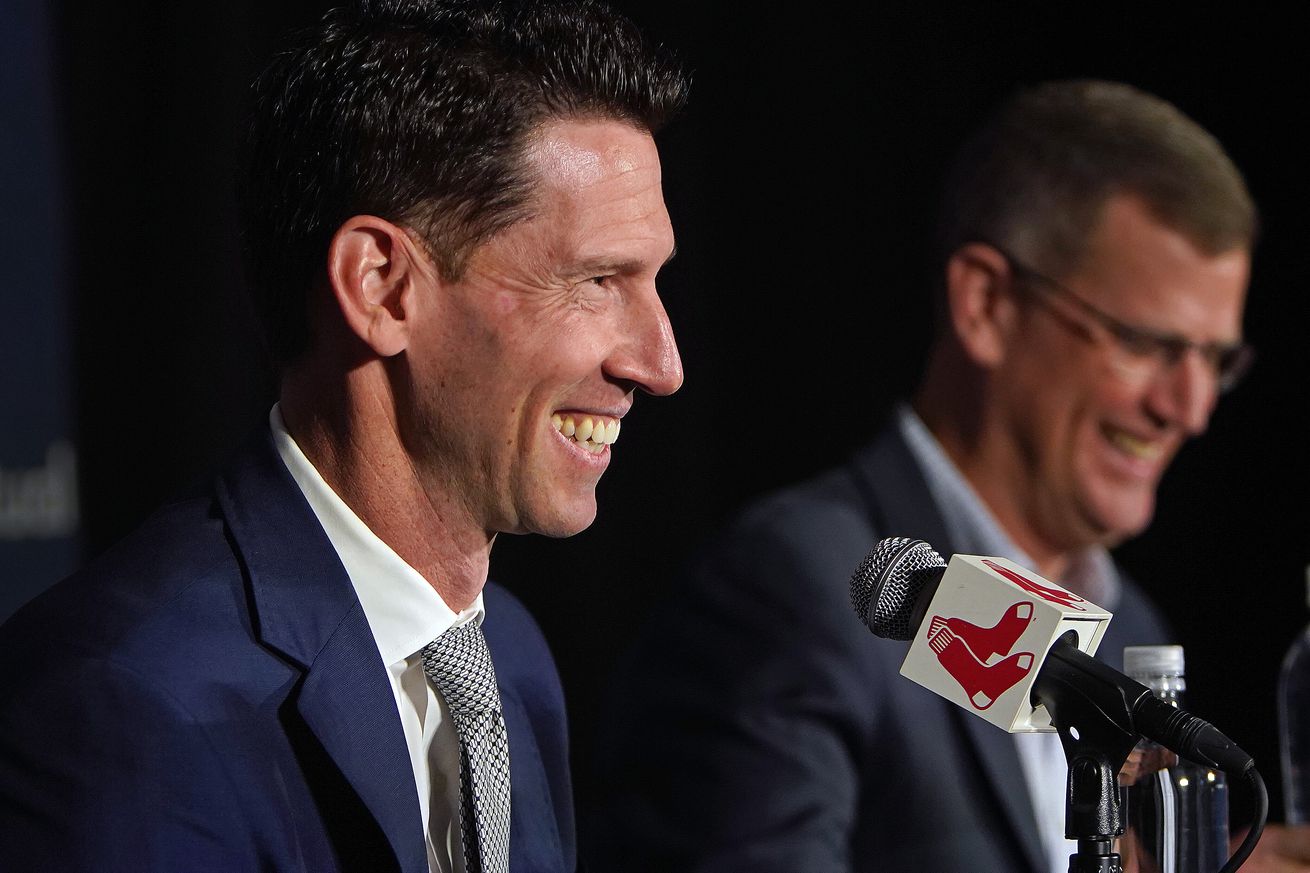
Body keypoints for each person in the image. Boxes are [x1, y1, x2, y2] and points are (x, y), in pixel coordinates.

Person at [0, 1, 687, 871]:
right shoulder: (120, 707)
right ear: (381, 285)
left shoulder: (507, 660)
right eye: (597, 279)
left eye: (654, 281)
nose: (660, 364)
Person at [591, 79, 1301, 872]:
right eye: (1146, 343)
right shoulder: (800, 588)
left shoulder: (1130, 630)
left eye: (1214, 360)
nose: (1190, 407)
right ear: (987, 304)